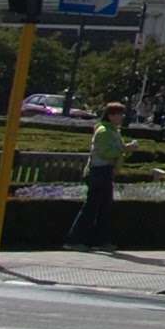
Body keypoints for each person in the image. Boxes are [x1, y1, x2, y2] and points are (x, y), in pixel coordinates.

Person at [64, 101, 128, 252]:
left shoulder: (114, 131)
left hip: (106, 171)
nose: (122, 117)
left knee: (104, 207)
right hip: (98, 171)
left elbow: (116, 151)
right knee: (91, 207)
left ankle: (100, 241)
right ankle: (74, 240)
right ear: (111, 115)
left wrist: (124, 150)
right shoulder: (104, 131)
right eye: (119, 114)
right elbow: (104, 152)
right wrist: (125, 149)